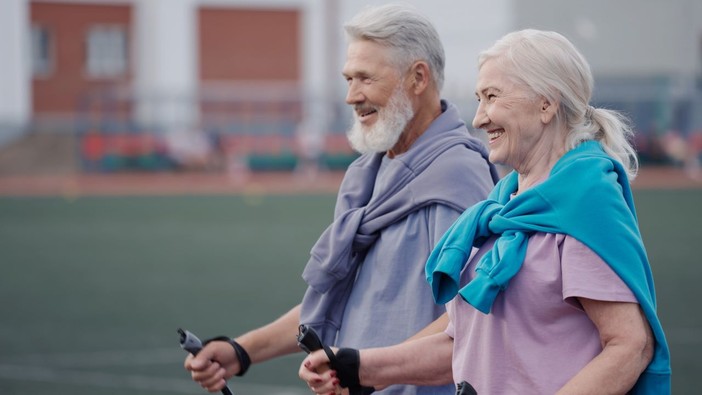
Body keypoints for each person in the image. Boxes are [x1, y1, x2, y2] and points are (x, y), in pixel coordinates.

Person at [299, 29, 671, 395]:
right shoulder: (502, 207)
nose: (479, 118)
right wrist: (358, 368)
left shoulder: (582, 204)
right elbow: (466, 341)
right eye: (479, 99)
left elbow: (629, 346)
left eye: (491, 97)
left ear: (546, 103)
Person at [184, 4, 499, 395]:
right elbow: (341, 300)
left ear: (418, 77)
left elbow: (471, 316)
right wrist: (242, 351)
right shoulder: (365, 174)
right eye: (348, 79)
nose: (351, 96)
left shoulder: (457, 176)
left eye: (365, 78)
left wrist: (366, 373)